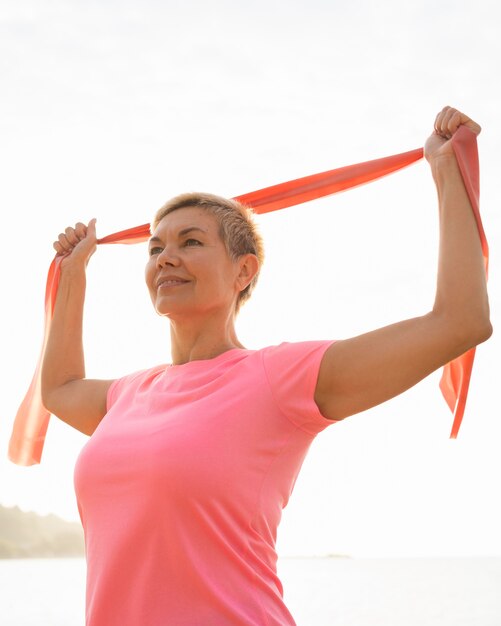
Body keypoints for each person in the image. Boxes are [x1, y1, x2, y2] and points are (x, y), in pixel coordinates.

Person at [42, 106, 491, 626]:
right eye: (155, 247)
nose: (165, 257)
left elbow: (460, 322)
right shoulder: (127, 395)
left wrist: (445, 171)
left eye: (191, 242)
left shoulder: (279, 378)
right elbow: (59, 388)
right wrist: (74, 276)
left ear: (243, 271)